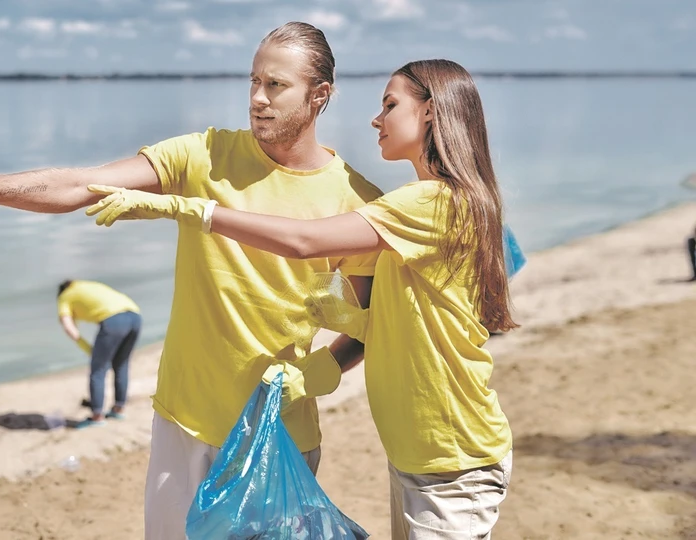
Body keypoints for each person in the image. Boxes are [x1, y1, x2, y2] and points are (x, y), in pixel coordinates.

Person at [0, 22, 382, 538]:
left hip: (277, 435)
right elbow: (78, 186)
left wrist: (319, 372)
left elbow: (362, 327)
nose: (257, 99)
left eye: (275, 85)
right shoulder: (205, 154)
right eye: (252, 81)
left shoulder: (355, 201)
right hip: (182, 419)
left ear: (320, 95)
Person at [87, 59, 516, 539]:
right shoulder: (439, 203)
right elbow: (399, 319)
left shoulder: (433, 202)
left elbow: (304, 242)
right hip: (423, 454)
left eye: (390, 105)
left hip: (453, 459)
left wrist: (192, 208)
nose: (376, 119)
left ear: (432, 113)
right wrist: (324, 360)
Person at [56, 279, 141, 426]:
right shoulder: (87, 285)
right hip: (135, 316)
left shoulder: (65, 297)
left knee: (98, 370)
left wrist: (89, 349)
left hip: (114, 320)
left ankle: (97, 417)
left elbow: (69, 328)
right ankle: (118, 409)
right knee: (121, 364)